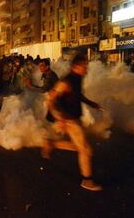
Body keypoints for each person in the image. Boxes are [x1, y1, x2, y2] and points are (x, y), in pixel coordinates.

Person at [43, 53, 103, 191]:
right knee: (86, 150)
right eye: (85, 65)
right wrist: (60, 119)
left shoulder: (78, 79)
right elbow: (50, 100)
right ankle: (87, 181)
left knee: (79, 147)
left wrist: (92, 104)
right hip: (68, 119)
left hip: (74, 117)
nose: (87, 68)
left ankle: (51, 143)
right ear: (77, 66)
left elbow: (78, 95)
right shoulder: (66, 82)